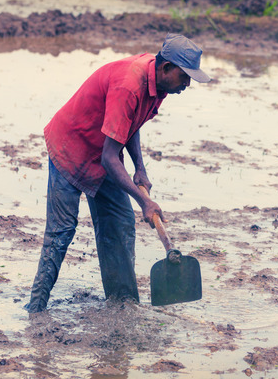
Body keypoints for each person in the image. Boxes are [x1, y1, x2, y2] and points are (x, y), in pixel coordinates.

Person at [24, 33, 211, 313]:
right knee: (61, 232)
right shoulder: (130, 84)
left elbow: (131, 122)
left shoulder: (158, 83)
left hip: (103, 149)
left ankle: (122, 305)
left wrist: (140, 168)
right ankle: (35, 309)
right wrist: (144, 201)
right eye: (185, 77)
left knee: (120, 223)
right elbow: (110, 158)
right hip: (72, 147)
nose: (187, 84)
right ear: (166, 67)